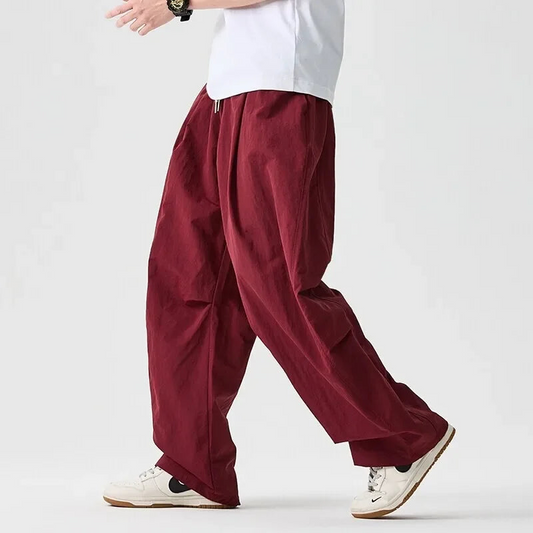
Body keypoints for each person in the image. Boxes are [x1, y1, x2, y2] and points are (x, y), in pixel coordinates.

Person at [103, 0, 455, 520]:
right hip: (226, 90)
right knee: (188, 276)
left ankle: (403, 439)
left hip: (278, 90)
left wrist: (179, 3)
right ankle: (192, 466)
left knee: (279, 287)